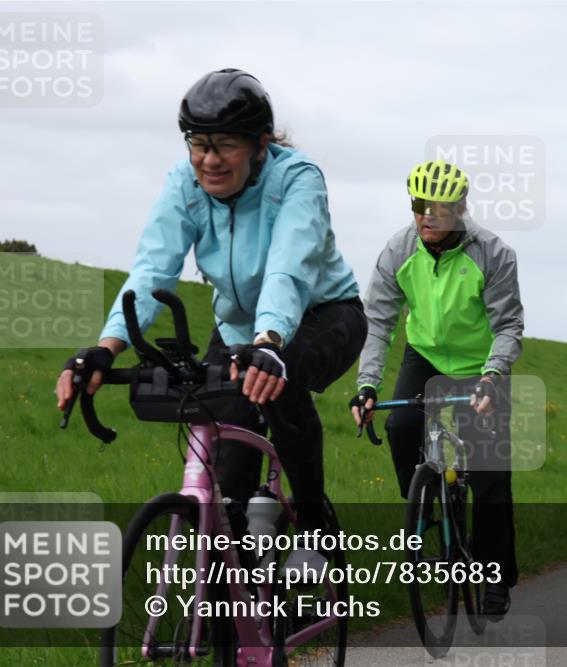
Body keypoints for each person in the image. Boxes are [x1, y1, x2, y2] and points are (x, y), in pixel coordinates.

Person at [55, 69, 367, 572]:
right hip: (239, 330)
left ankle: (314, 529)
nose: (208, 159)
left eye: (224, 145)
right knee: (226, 467)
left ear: (260, 144)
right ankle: (239, 580)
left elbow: (289, 267)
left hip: (324, 314)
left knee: (277, 381)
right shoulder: (184, 184)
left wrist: (269, 341)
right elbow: (153, 267)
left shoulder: (298, 179)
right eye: (197, 144)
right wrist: (106, 347)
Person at [350, 159, 524, 619]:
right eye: (418, 205)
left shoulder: (493, 253)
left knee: (488, 475)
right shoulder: (398, 250)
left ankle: (495, 579)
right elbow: (379, 323)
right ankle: (426, 508)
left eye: (439, 207)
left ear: (461, 209)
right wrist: (366, 384)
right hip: (424, 355)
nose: (426, 214)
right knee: (402, 424)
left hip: (480, 365)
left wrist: (492, 376)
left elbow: (509, 326)